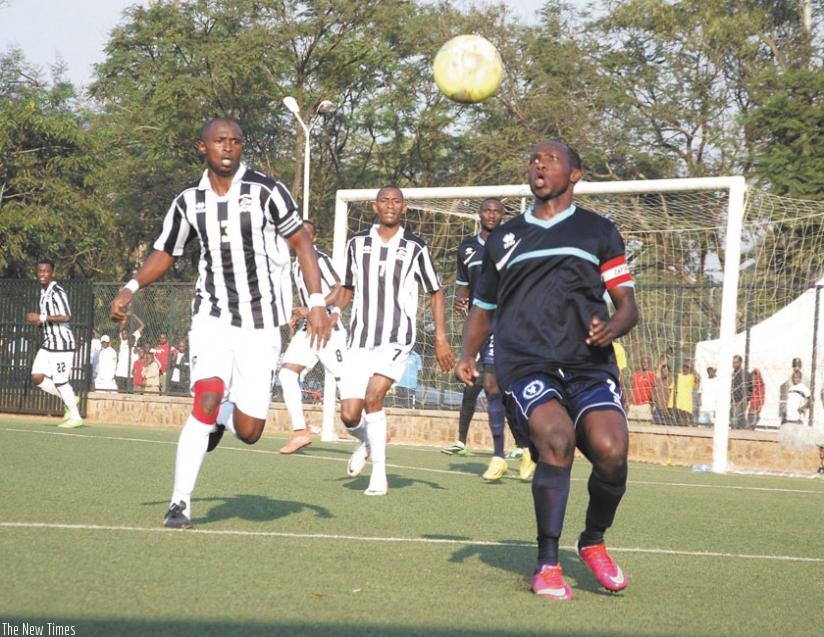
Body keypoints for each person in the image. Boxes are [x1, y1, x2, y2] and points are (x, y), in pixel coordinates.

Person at [109, 117, 330, 529]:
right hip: (211, 316)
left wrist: (316, 301)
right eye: (219, 141)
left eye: (235, 142)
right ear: (202, 147)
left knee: (249, 431)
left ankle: (223, 416)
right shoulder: (189, 201)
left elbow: (302, 242)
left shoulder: (267, 191)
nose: (228, 148)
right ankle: (180, 504)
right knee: (204, 399)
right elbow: (165, 251)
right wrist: (130, 286)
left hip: (261, 324)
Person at [456, 141, 639, 600]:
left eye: (551, 158)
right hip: (527, 362)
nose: (538, 163)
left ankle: (593, 540)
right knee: (557, 440)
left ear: (575, 174)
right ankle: (548, 563)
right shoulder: (505, 238)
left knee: (612, 451)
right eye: (533, 157)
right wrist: (466, 355)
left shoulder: (599, 232)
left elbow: (627, 307)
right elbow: (482, 307)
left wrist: (612, 327)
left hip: (588, 364)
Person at [334, 184, 455, 496]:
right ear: (375, 207)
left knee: (374, 398)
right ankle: (365, 438)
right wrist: (322, 310)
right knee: (349, 415)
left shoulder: (416, 247)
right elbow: (345, 288)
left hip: (397, 338)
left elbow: (436, 291)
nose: (390, 205)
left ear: (404, 208)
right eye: (384, 200)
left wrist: (441, 338)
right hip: (359, 339)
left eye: (396, 201)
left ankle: (379, 476)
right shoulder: (356, 244)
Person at [442, 197, 535, 482]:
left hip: (510, 323)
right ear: (479, 214)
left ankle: (527, 447)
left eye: (497, 211)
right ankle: (499, 456)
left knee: (509, 389)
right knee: (489, 385)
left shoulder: (513, 243)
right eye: (487, 210)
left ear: (503, 216)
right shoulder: (467, 248)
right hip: (481, 326)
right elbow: (463, 288)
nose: (492, 215)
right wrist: (461, 304)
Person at [277, 220, 347, 454]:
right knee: (287, 374)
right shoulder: (296, 264)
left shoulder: (319, 259)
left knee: (343, 382)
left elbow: (339, 288)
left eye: (308, 235)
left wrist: (314, 307)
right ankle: (300, 431)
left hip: (327, 327)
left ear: (314, 239)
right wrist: (300, 311)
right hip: (308, 328)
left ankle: (372, 427)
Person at [25, 259, 84, 428]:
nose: (42, 274)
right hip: (49, 342)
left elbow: (66, 316)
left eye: (46, 271)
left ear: (53, 273)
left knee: (60, 381)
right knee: (37, 376)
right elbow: (52, 317)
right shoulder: (44, 292)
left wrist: (41, 317)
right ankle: (69, 398)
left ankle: (76, 416)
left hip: (61, 344)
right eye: (40, 271)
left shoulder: (56, 291)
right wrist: (41, 324)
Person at [115, 312, 145, 392]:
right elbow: (121, 327)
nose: (124, 334)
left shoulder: (134, 337)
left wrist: (134, 315)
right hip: (120, 373)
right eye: (123, 333)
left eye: (125, 333)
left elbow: (142, 325)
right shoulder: (123, 341)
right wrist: (125, 316)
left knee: (129, 394)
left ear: (128, 334)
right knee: (120, 393)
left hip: (131, 374)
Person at [670, 359, 699, 425]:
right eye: (684, 366)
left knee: (684, 425)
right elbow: (671, 389)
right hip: (675, 406)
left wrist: (693, 368)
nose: (685, 368)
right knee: (673, 425)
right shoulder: (678, 376)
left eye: (687, 367)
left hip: (686, 407)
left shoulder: (692, 377)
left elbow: (698, 379)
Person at [778, 358, 804, 422]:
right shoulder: (787, 381)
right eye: (795, 366)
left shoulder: (804, 379)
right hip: (788, 412)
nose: (796, 368)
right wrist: (782, 411)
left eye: (798, 366)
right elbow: (783, 398)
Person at [730, 355, 751, 429]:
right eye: (733, 362)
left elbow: (750, 390)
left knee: (735, 421)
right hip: (732, 402)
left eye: (736, 362)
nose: (734, 364)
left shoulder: (746, 374)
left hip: (740, 402)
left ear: (740, 362)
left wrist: (743, 401)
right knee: (738, 421)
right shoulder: (731, 374)